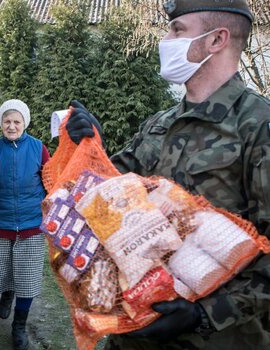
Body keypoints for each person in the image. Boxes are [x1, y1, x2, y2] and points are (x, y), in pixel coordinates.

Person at [66, 1, 270, 349]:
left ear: (216, 40)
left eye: (177, 30)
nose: (166, 39)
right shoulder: (160, 122)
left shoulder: (258, 125)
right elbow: (112, 193)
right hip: (133, 334)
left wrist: (204, 315)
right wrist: (91, 146)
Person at [0, 99, 50, 350]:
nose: (12, 126)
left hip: (31, 226)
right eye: (7, 121)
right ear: (1, 123)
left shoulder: (39, 149)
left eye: (17, 121)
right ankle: (7, 293)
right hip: (0, 225)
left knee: (27, 279)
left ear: (25, 123)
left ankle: (19, 326)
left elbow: (52, 186)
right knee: (1, 272)